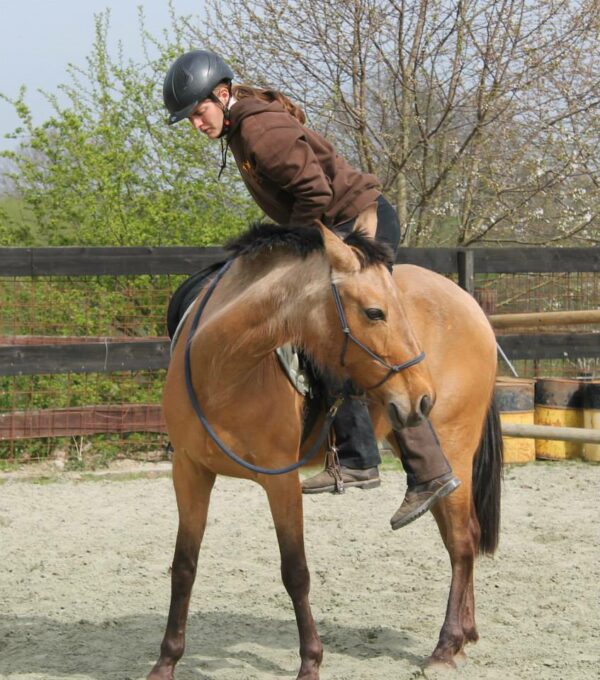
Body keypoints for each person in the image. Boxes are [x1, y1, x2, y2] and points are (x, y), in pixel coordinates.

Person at [163, 49, 461, 529]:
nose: (197, 123)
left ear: (222, 95)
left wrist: (287, 253)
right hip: (333, 225)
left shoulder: (258, 130)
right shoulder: (243, 128)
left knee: (342, 331)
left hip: (358, 223)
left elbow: (317, 195)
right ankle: (353, 454)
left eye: (199, 111)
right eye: (191, 118)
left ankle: (423, 469)